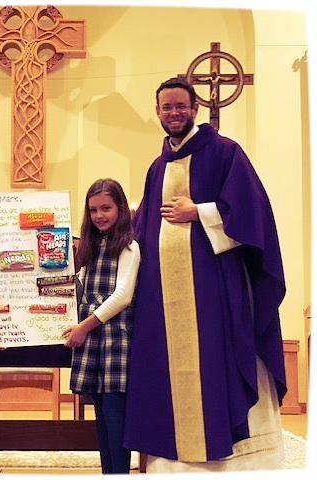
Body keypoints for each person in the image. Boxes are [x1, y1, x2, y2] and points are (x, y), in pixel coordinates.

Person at [123, 77, 287, 473]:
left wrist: (199, 211)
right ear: (157, 112)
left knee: (217, 363)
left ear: (195, 108)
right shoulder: (157, 167)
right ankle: (173, 457)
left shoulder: (226, 153)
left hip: (215, 289)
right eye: (166, 107)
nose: (174, 113)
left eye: (181, 105)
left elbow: (251, 213)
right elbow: (143, 229)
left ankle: (232, 453)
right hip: (164, 297)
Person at [63, 178, 140, 474]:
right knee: (101, 418)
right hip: (93, 337)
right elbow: (81, 285)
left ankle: (118, 472)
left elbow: (122, 296)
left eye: (106, 208)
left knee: (114, 414)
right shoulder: (91, 246)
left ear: (120, 208)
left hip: (115, 337)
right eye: (93, 210)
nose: (99, 215)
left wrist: (84, 326)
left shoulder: (129, 247)